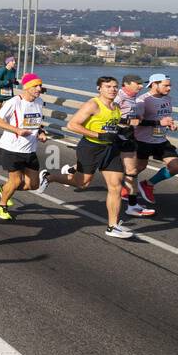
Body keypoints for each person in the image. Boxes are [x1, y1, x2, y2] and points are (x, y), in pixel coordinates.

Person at [44, 75, 133, 239]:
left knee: (116, 186)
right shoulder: (93, 104)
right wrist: (98, 135)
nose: (112, 89)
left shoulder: (116, 106)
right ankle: (50, 177)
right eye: (108, 87)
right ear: (99, 88)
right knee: (82, 183)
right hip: (90, 148)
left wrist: (122, 130)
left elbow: (109, 125)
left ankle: (113, 226)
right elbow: (72, 125)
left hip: (110, 149)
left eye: (115, 87)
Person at [0, 73, 51, 221]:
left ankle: (4, 188)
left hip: (30, 149)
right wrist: (17, 130)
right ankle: (1, 206)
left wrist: (41, 132)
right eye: (35, 86)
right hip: (11, 148)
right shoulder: (15, 102)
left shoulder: (39, 101)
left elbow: (36, 122)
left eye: (40, 85)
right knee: (16, 181)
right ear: (27, 87)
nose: (39, 88)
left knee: (34, 184)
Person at [131, 73, 178, 207]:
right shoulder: (142, 101)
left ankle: (147, 185)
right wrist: (159, 123)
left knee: (176, 167)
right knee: (138, 168)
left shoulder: (168, 99)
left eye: (170, 85)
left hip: (161, 140)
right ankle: (126, 188)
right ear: (154, 84)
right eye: (166, 85)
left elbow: (165, 117)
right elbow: (136, 122)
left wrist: (170, 124)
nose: (169, 88)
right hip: (142, 141)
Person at [113, 74, 155, 218]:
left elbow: (131, 114)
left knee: (132, 170)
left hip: (128, 137)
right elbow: (108, 116)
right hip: (112, 136)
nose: (141, 86)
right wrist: (129, 121)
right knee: (86, 175)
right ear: (126, 84)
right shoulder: (117, 97)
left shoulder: (134, 99)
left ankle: (132, 205)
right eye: (137, 83)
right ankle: (70, 171)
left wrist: (137, 117)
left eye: (141, 83)